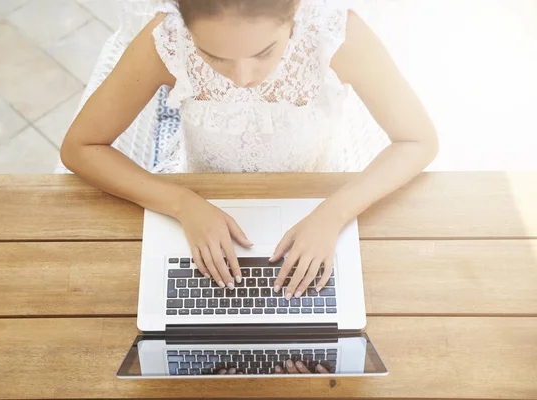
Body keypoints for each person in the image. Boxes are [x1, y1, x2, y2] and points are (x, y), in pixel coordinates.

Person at [60, 0, 439, 300]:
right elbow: (81, 146)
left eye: (263, 52)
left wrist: (334, 214)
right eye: (214, 56)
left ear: (296, 10)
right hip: (200, 216)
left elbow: (418, 140)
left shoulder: (336, 35)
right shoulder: (168, 39)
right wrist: (181, 203)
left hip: (317, 213)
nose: (242, 79)